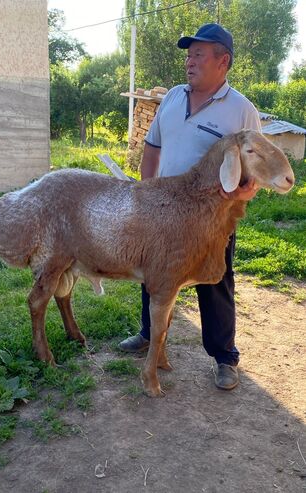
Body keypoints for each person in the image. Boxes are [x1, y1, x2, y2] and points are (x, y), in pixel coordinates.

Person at [119, 23, 262, 390]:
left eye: (199, 54)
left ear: (223, 60)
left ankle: (224, 357)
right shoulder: (171, 98)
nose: (189, 61)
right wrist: (144, 191)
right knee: (154, 274)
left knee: (215, 280)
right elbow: (152, 147)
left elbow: (254, 169)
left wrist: (245, 194)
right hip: (162, 211)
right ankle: (149, 334)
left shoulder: (241, 111)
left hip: (210, 221)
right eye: (189, 54)